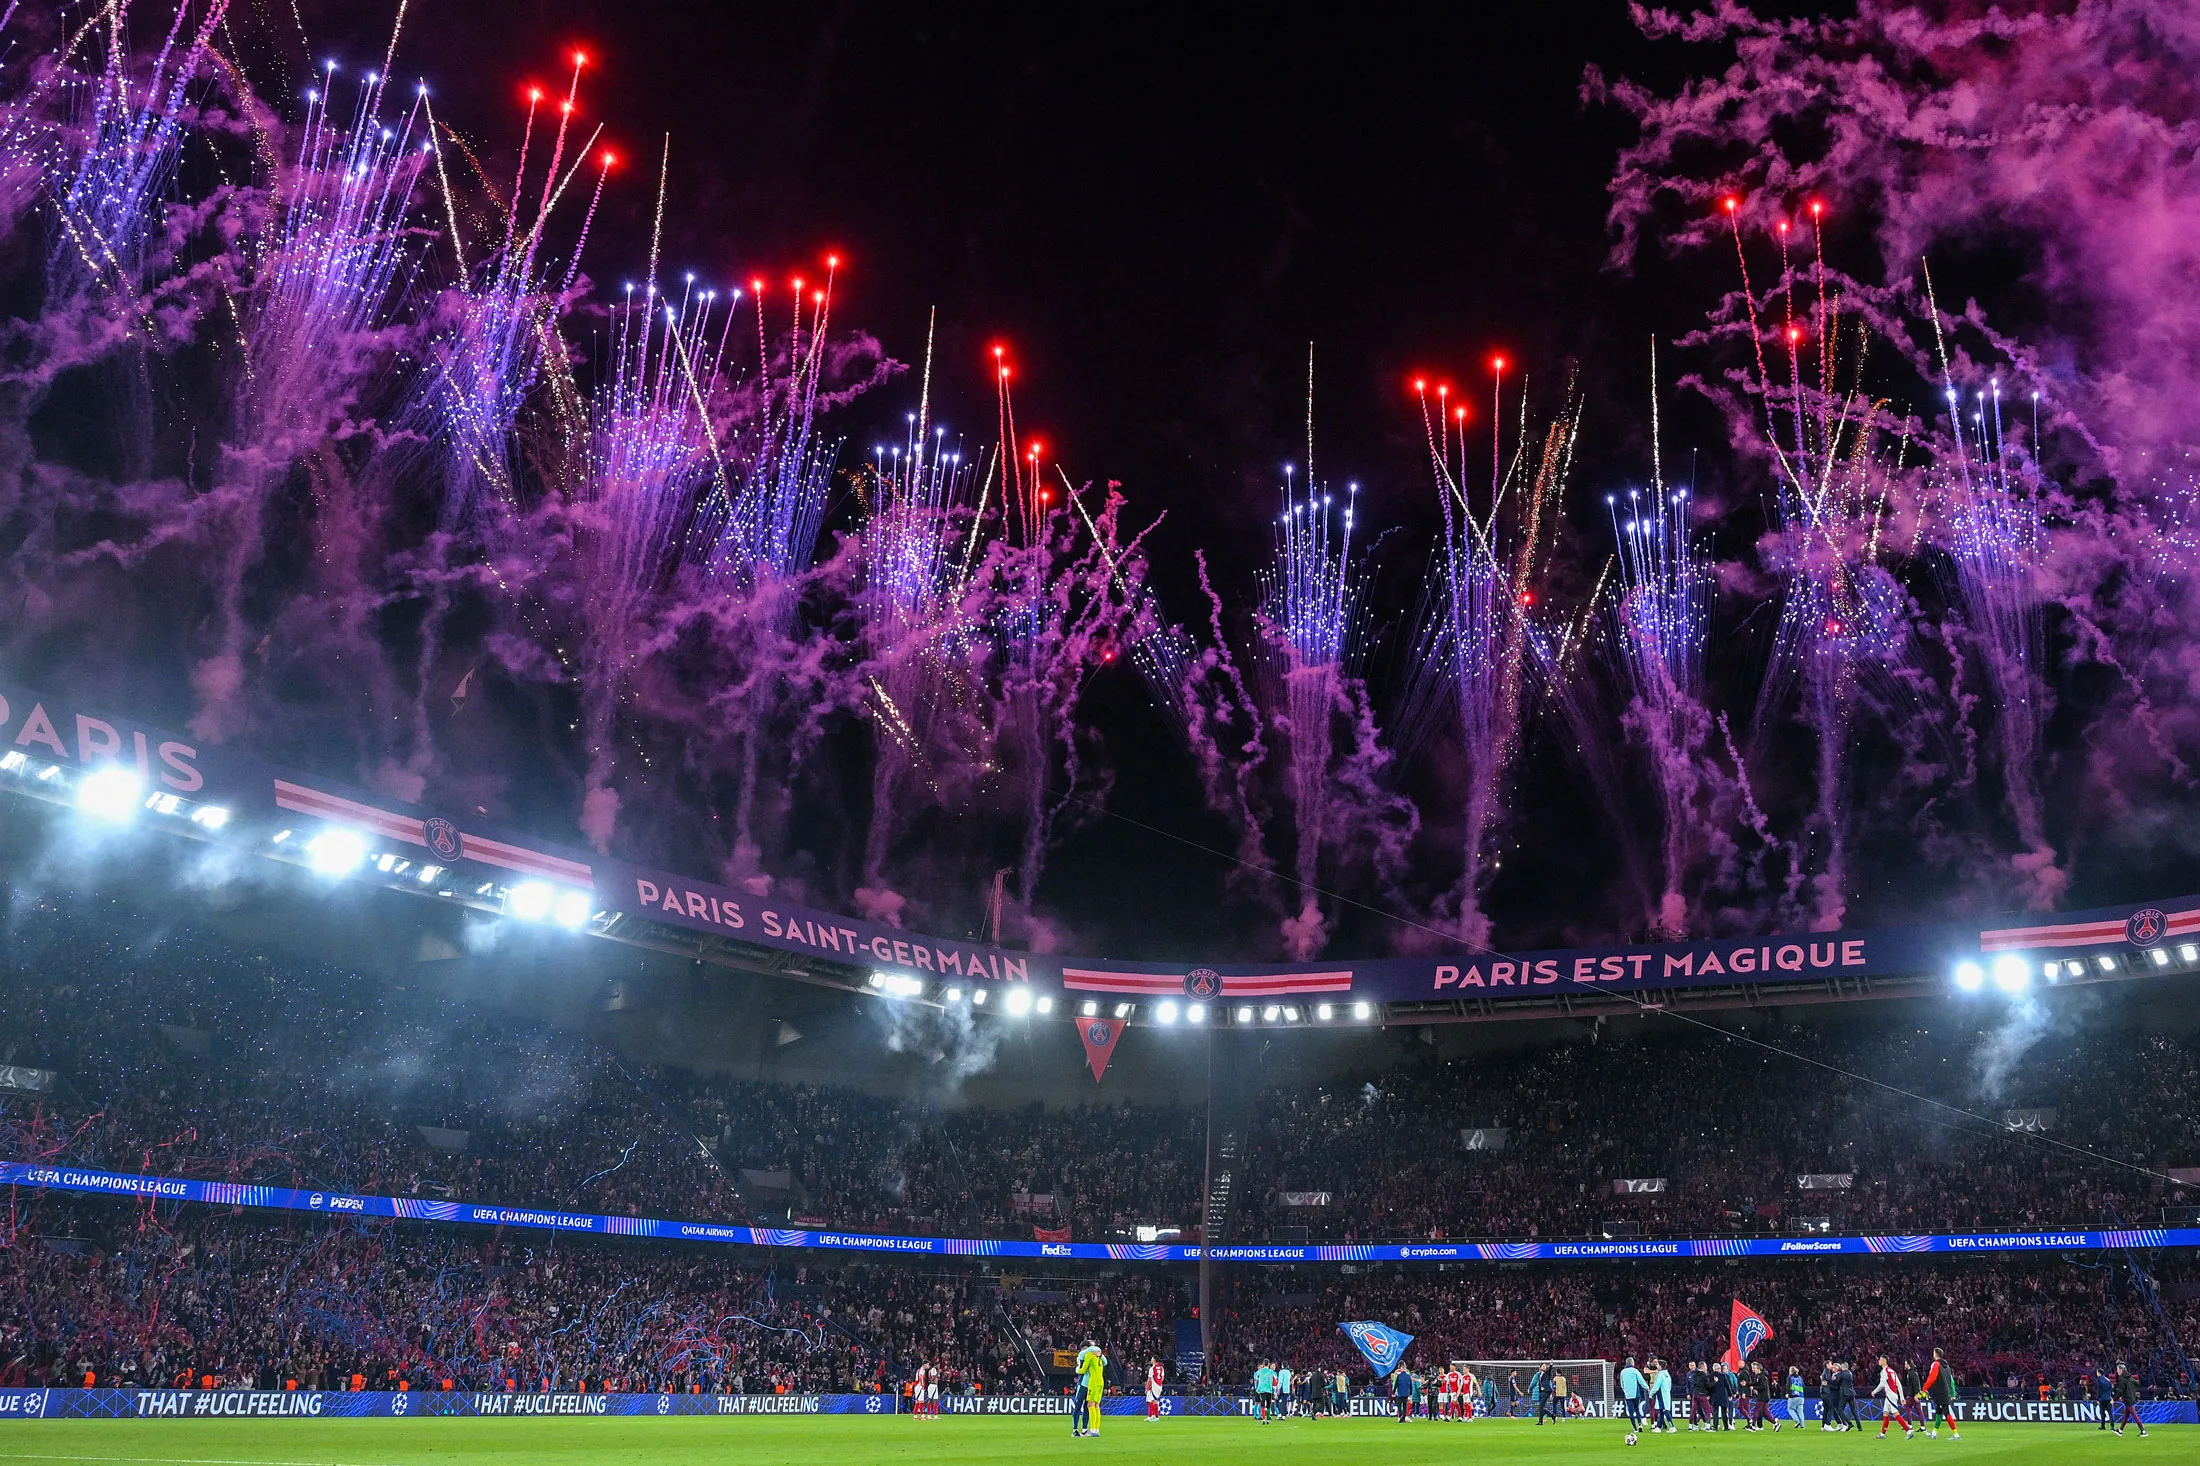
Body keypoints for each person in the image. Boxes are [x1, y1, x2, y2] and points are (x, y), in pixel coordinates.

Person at [1918, 1348, 1960, 1440]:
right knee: (1938, 1412)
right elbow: (1951, 1381)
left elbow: (1932, 1378)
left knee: (1946, 1413)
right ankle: (1934, 1433)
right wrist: (1952, 1393)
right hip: (1946, 1392)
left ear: (1935, 1354)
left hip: (1941, 1393)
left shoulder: (1936, 1364)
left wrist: (1924, 1389)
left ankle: (1956, 1434)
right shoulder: (1947, 1366)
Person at [1875, 1355, 1914, 1439]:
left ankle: (1909, 1431)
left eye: (1880, 1360)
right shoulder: (1892, 1371)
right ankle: (1882, 1434)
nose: (1879, 1361)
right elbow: (1898, 1385)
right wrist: (1902, 1397)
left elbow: (1882, 1384)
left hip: (1890, 1395)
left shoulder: (1884, 1371)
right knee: (1885, 1413)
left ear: (1884, 1361)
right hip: (1891, 1395)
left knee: (1896, 1414)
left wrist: (1874, 1391)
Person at [1073, 1340, 1106, 1438]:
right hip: (1100, 1381)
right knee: (1095, 1406)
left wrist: (1077, 1369)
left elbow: (1082, 1370)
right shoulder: (1099, 1355)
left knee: (1086, 1405)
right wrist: (1099, 1352)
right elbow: (1105, 1362)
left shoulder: (1086, 1354)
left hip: (1088, 1383)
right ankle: (1094, 1429)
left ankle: (1085, 1430)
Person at [2113, 1362, 2148, 1437]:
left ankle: (2143, 1431)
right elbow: (2137, 1384)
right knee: (2126, 1415)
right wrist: (2132, 1391)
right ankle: (2120, 1430)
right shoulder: (2130, 1378)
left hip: (2128, 1399)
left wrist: (2114, 1399)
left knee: (2134, 1415)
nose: (2117, 1372)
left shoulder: (2122, 1379)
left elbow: (2120, 1390)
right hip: (2131, 1398)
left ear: (2121, 1370)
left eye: (2118, 1370)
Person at [1620, 1355, 1648, 1439]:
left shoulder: (1622, 1372)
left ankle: (1635, 1428)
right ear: (1632, 1363)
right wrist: (1647, 1388)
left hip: (1628, 1395)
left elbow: (1622, 1384)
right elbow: (1641, 1381)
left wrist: (1625, 1391)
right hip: (1636, 1394)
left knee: (1631, 1412)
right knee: (1637, 1409)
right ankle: (1640, 1425)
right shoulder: (1635, 1371)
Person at [1651, 1357, 1675, 1432]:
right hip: (1666, 1393)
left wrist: (1651, 1393)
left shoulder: (1660, 1374)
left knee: (1665, 1410)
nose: (1656, 1366)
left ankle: (1672, 1426)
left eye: (1657, 1364)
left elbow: (1656, 1385)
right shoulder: (1667, 1374)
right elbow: (1669, 1385)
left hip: (1661, 1394)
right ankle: (1658, 1427)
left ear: (1660, 1366)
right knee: (1661, 1411)